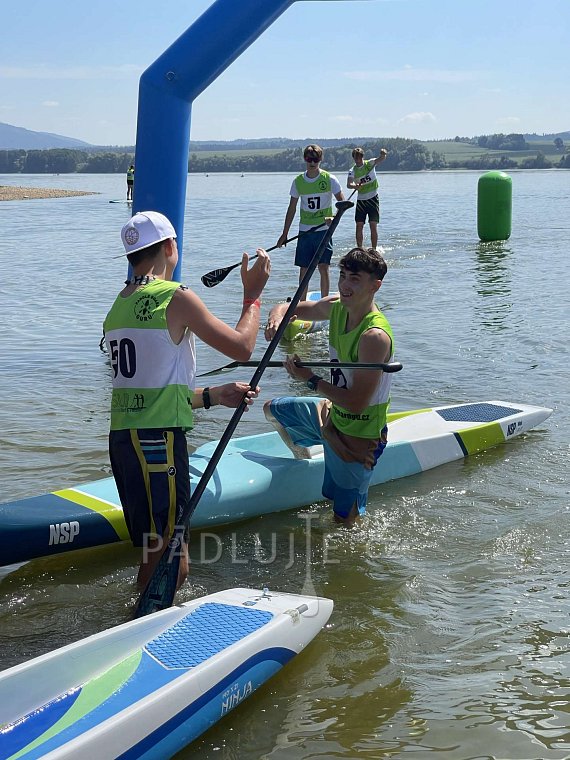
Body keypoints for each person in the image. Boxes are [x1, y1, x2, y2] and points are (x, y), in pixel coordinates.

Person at [104, 211, 270, 591]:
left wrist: (213, 396)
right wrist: (253, 296)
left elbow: (146, 394)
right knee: (167, 556)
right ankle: (137, 629)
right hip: (157, 444)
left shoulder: (119, 304)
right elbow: (242, 347)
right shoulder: (175, 297)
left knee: (168, 556)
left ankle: (140, 617)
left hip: (125, 442)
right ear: (169, 247)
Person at [263, 247, 394, 525]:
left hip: (360, 436)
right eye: (343, 276)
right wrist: (276, 318)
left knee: (345, 521)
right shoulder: (336, 307)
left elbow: (357, 402)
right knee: (273, 410)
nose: (345, 285)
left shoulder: (374, 337)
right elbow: (287, 306)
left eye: (354, 279)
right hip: (331, 413)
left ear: (375, 286)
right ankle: (306, 456)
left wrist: (310, 378)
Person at [276, 144, 344, 301]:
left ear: (320, 160)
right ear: (305, 160)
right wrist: (284, 234)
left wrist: (333, 218)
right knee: (304, 269)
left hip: (323, 231)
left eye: (315, 159)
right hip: (305, 231)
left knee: (323, 267)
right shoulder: (298, 182)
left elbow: (343, 203)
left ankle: (324, 303)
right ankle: (301, 304)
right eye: (309, 159)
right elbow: (291, 208)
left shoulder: (329, 179)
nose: (312, 163)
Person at [347, 147, 388, 249]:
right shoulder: (352, 170)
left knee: (372, 225)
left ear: (362, 157)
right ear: (353, 158)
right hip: (361, 201)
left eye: (360, 157)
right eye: (356, 158)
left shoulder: (369, 164)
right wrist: (354, 186)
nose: (358, 160)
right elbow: (349, 183)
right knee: (359, 225)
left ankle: (374, 249)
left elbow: (381, 159)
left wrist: (383, 154)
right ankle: (360, 249)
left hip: (373, 198)